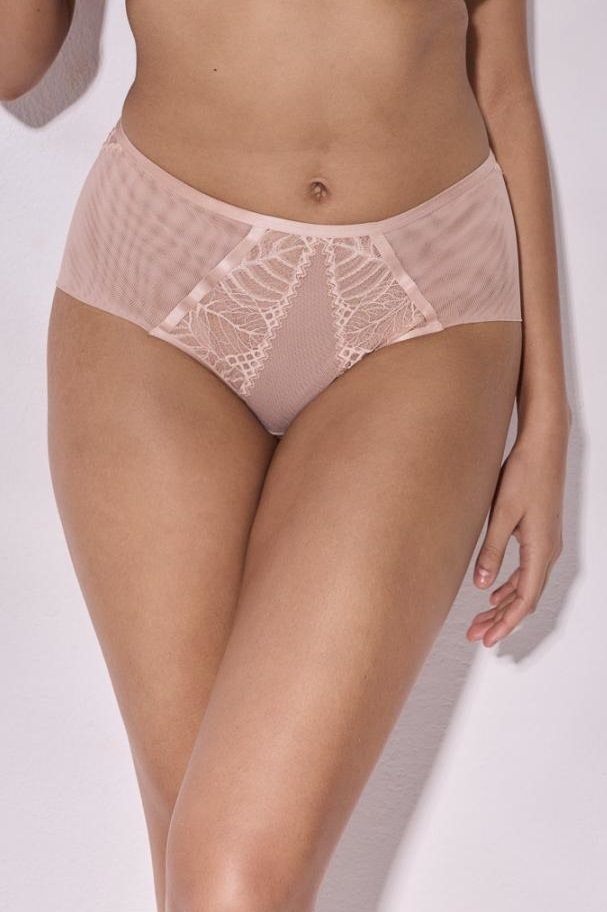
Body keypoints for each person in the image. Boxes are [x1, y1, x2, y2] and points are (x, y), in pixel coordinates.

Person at [2, 2, 570, 910]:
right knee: (204, 877)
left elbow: (499, 78)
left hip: (425, 305)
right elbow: (14, 63)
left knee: (231, 876)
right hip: (156, 292)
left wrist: (548, 412)